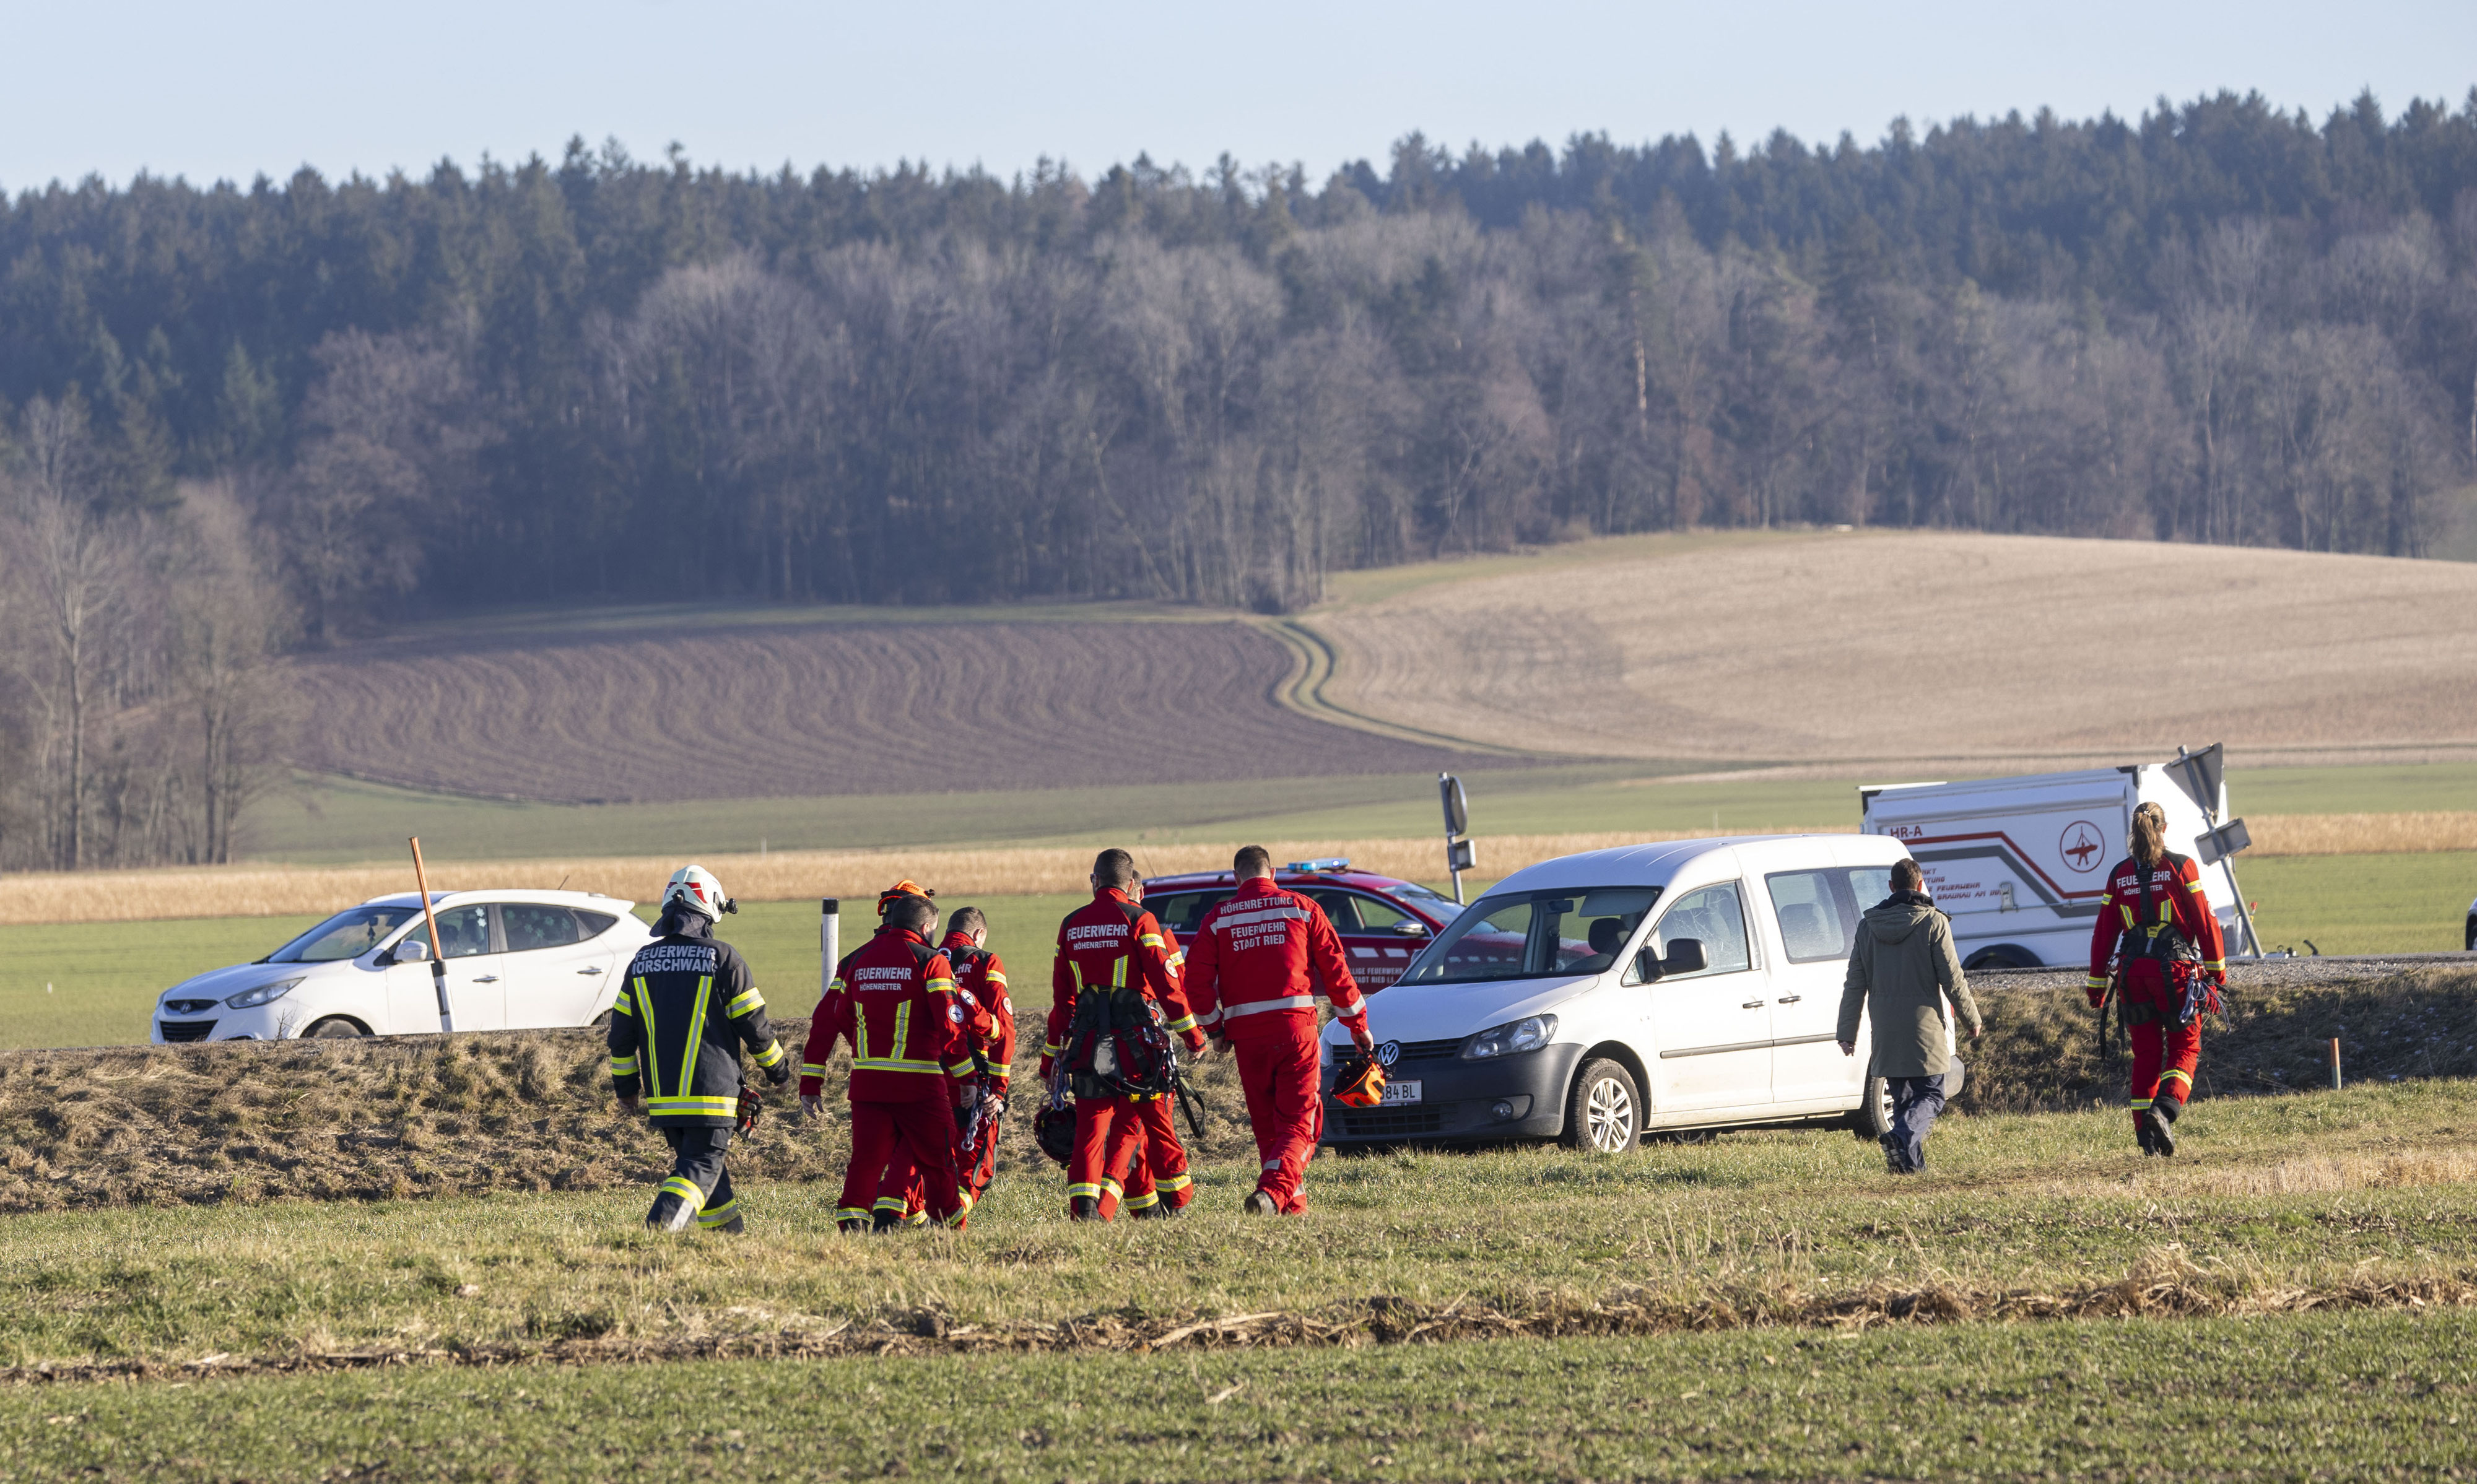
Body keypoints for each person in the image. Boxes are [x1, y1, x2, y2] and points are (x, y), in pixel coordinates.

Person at [1182, 844, 1374, 1215]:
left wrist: (1215, 1029)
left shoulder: (1219, 918)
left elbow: (1197, 982)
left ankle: (1292, 1207)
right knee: (1302, 1126)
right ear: (1272, 874)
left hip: (1248, 1040)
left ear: (1237, 878)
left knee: (1271, 1130)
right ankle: (1272, 1194)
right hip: (1295, 1033)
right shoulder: (1302, 907)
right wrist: (1357, 1025)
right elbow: (1336, 970)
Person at [608, 864, 791, 1232]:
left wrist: (627, 1091)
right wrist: (779, 1071)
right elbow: (754, 1026)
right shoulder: (723, 958)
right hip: (712, 1097)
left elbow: (621, 1037)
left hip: (665, 1101)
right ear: (709, 907)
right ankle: (658, 1232)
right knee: (702, 1165)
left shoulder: (640, 963)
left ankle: (730, 1238)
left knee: (707, 1174)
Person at [1043, 848, 1207, 1220]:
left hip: (1087, 1049)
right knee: (1155, 1124)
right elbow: (1169, 988)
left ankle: (1084, 1212)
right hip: (1136, 1050)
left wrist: (1050, 1056)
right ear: (1132, 884)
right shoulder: (1140, 918)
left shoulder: (1071, 924)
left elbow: (1062, 999)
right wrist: (1193, 1036)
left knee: (1090, 1132)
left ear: (1095, 880)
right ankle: (1177, 1202)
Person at [800, 889, 977, 1231]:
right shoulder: (930, 961)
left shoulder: (856, 961)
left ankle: (852, 1228)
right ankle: (952, 1233)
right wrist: (966, 1078)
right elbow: (951, 1025)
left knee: (865, 1164)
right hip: (920, 1086)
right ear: (926, 927)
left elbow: (835, 1016)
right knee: (939, 1163)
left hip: (868, 1085)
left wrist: (813, 1080)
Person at [2087, 801, 2227, 1156]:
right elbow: (2205, 922)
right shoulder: (2183, 867)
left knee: (2146, 1056)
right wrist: (2217, 970)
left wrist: (2097, 986)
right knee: (2185, 1049)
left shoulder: (2119, 875)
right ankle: (2164, 1112)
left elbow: (2104, 933)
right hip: (2175, 974)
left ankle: (2146, 1140)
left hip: (2132, 975)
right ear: (2163, 829)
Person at [1835, 858, 1983, 1175]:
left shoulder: (1867, 927)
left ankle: (1909, 1171)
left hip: (1886, 1031)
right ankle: (1901, 1138)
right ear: (1920, 886)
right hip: (1925, 1030)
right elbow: (1953, 979)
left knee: (1903, 1101)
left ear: (1891, 887)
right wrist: (1972, 1018)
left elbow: (1854, 984)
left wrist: (1847, 1031)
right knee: (1932, 1094)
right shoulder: (1933, 923)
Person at [873, 904, 1016, 1226]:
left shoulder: (925, 957)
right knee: (976, 1163)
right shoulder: (986, 961)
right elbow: (1003, 1030)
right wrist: (999, 1088)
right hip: (967, 1075)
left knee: (919, 1148)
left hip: (924, 1073)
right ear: (978, 934)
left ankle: (900, 1213)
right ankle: (949, 1224)